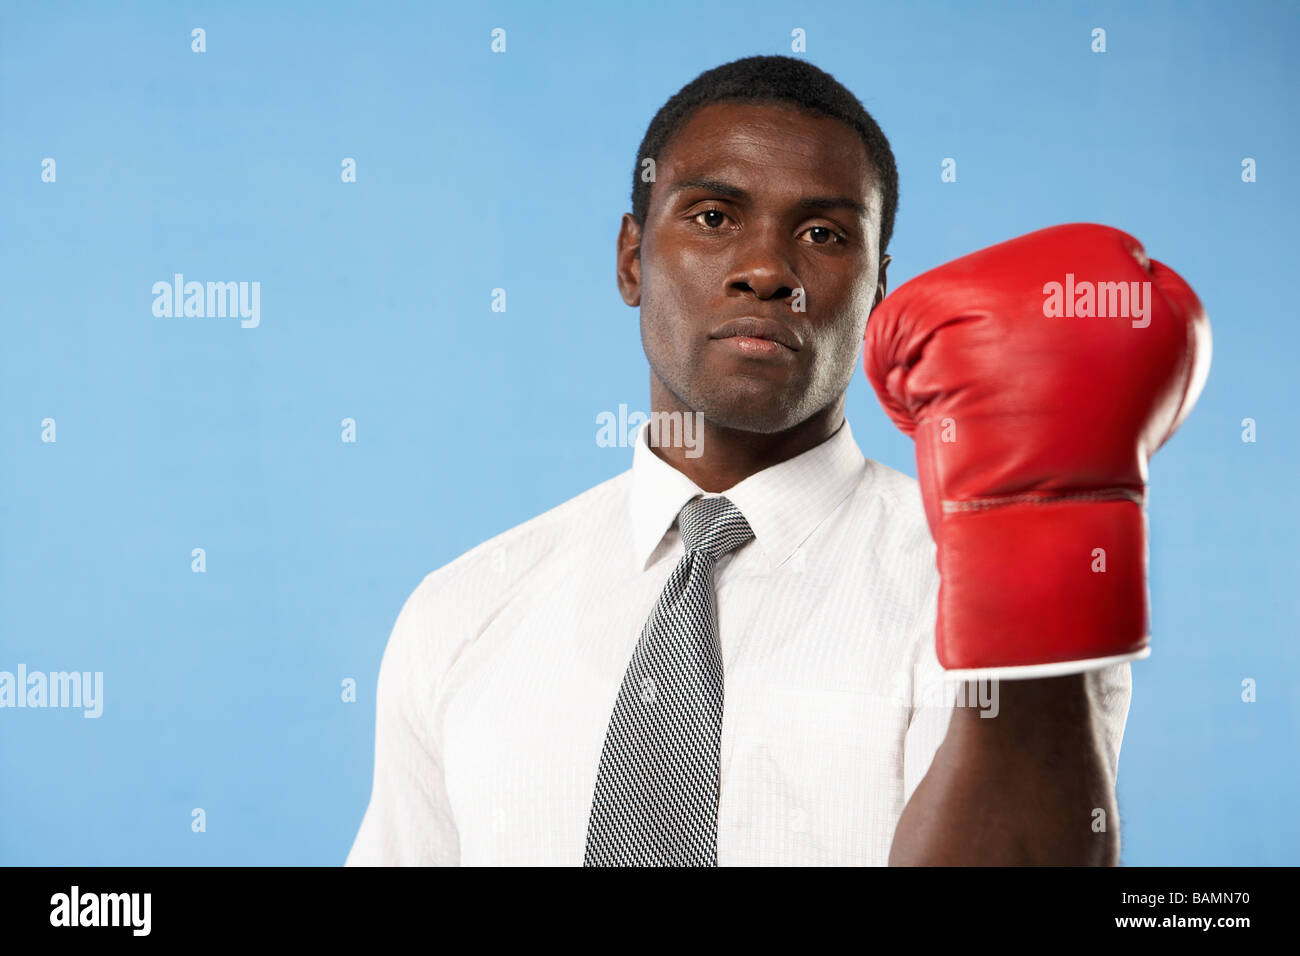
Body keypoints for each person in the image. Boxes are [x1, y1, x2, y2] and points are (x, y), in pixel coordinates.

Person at [345, 54, 1208, 866]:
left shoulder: (970, 582)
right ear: (630, 257)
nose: (766, 270)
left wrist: (1034, 539)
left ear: (879, 287)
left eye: (826, 234)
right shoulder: (464, 610)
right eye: (713, 217)